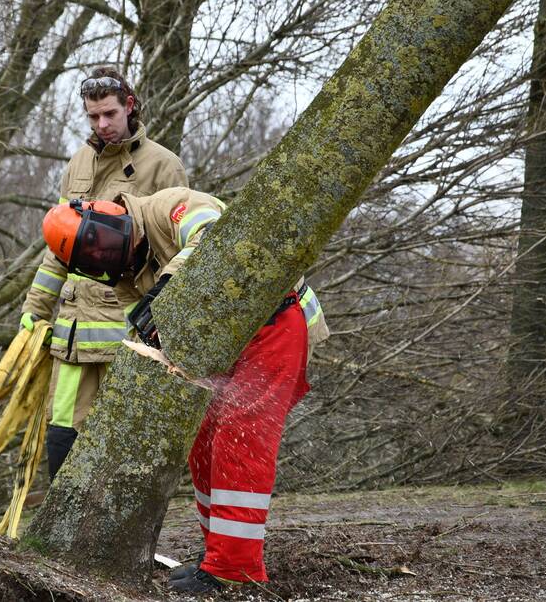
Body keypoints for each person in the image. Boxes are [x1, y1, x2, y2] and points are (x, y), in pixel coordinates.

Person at [40, 188, 329, 594]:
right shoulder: (125, 276)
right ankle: (217, 555)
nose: (106, 257)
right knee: (203, 439)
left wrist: (168, 286)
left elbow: (216, 234)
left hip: (275, 321)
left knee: (239, 440)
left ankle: (235, 568)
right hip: (225, 341)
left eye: (103, 245)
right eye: (95, 259)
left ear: (109, 216)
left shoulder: (170, 207)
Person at [19, 67, 187, 480]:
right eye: (93, 117)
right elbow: (58, 245)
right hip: (73, 330)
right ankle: (59, 535)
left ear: (130, 106)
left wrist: (161, 321)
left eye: (109, 114)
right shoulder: (77, 163)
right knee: (62, 429)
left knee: (125, 434)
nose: (102, 124)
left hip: (129, 328)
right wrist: (35, 309)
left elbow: (175, 252)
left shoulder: (164, 166)